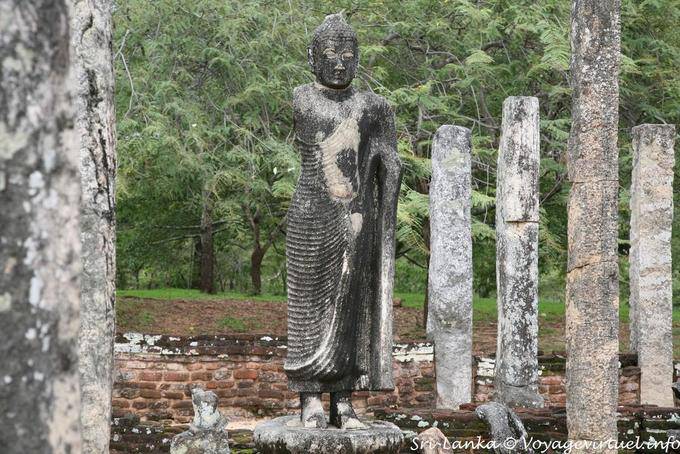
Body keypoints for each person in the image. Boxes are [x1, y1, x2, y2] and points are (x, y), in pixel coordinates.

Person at [283, 13, 402, 429]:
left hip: (354, 221)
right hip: (311, 217)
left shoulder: (372, 106)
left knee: (350, 306)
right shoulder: (302, 98)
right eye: (331, 55)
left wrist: (386, 162)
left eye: (348, 55)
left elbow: (389, 158)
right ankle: (309, 398)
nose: (339, 63)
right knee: (307, 308)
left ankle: (344, 399)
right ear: (313, 57)